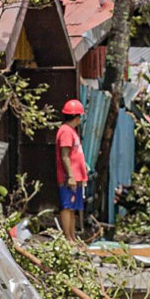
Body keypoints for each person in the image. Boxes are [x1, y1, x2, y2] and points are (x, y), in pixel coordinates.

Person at [55, 99, 88, 242]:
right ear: (76, 117)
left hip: (76, 177)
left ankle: (72, 237)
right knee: (67, 207)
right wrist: (70, 176)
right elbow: (64, 155)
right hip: (69, 177)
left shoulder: (70, 131)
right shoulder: (66, 132)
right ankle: (68, 238)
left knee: (72, 208)